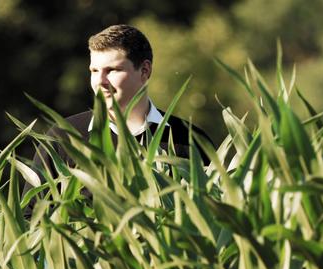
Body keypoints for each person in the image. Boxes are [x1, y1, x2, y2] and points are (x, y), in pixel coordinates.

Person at [36, 24, 213, 175]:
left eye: (112, 70)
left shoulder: (192, 141)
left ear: (145, 70)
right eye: (94, 71)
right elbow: (31, 214)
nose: (100, 82)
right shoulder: (64, 137)